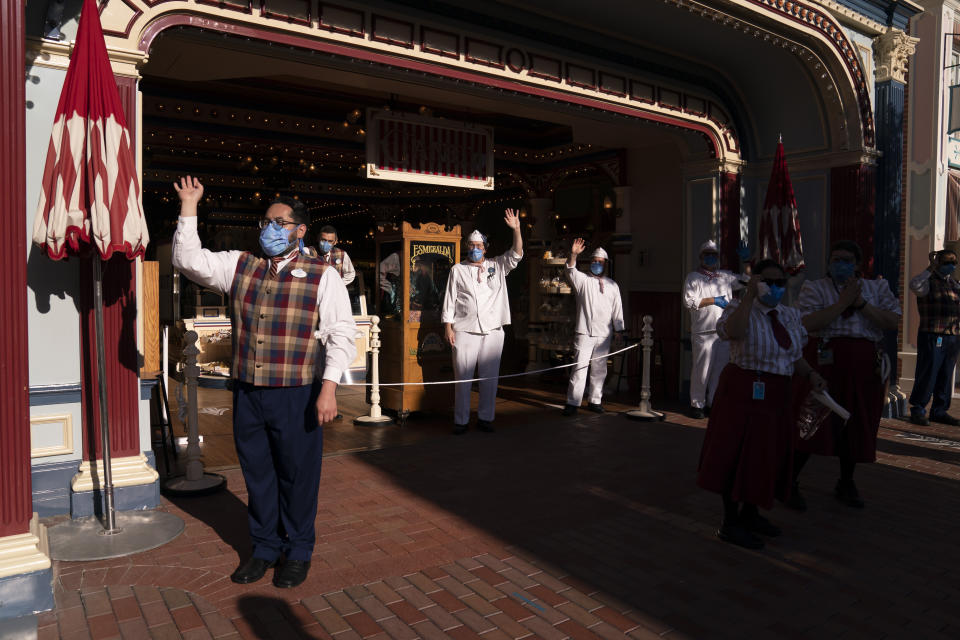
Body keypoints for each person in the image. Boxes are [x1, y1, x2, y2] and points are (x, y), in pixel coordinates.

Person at [171, 176, 357, 588]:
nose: (269, 229)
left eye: (279, 222)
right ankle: (265, 548)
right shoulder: (241, 265)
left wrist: (329, 387)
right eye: (266, 222)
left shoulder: (322, 275)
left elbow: (341, 333)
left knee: (298, 475)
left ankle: (298, 550)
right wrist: (189, 207)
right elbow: (189, 261)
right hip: (249, 392)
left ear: (299, 230)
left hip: (297, 393)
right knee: (258, 474)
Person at [696, 259, 826, 550]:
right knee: (735, 453)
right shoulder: (737, 309)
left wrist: (812, 374)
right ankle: (730, 522)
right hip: (743, 389)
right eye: (770, 281)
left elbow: (793, 355)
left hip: (778, 393)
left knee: (766, 455)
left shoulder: (789, 316)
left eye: (781, 283)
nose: (777, 288)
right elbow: (735, 332)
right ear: (755, 281)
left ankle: (751, 513)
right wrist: (750, 296)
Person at [793, 241, 901, 509]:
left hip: (864, 365)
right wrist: (842, 304)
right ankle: (789, 480)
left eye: (846, 260)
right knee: (813, 420)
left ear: (858, 264)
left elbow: (892, 321)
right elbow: (807, 323)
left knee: (856, 422)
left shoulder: (877, 287)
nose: (840, 264)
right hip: (826, 361)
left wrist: (861, 303)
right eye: (835, 259)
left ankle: (846, 481)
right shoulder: (815, 287)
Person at [442, 209, 523, 434]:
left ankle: (486, 418)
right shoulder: (457, 270)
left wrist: (516, 229)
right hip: (465, 329)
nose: (475, 249)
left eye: (479, 246)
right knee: (463, 378)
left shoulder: (497, 266)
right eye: (472, 246)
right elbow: (450, 299)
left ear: (485, 248)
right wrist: (448, 327)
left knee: (490, 378)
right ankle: (461, 420)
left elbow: (517, 254)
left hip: (493, 330)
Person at [561, 239, 625, 416]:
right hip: (584, 332)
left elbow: (617, 309)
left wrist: (619, 330)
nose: (597, 264)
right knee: (579, 368)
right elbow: (570, 270)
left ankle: (595, 400)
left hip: (604, 334)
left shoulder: (613, 285)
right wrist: (573, 254)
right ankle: (573, 402)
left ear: (606, 264)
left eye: (600, 262)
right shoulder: (582, 280)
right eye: (594, 261)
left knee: (600, 369)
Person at [683, 240, 746, 419]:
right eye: (707, 255)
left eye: (713, 255)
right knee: (701, 370)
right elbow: (689, 301)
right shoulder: (693, 277)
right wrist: (713, 300)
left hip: (723, 333)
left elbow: (747, 282)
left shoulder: (724, 277)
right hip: (703, 332)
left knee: (719, 371)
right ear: (701, 257)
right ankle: (697, 404)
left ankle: (713, 403)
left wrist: (747, 261)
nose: (710, 258)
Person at [908, 248, 960, 426]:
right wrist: (930, 267)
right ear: (938, 262)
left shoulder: (954, 284)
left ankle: (939, 410)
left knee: (946, 374)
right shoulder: (927, 281)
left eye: (954, 262)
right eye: (946, 262)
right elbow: (914, 285)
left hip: (952, 337)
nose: (950, 265)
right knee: (928, 372)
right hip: (932, 334)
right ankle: (918, 409)